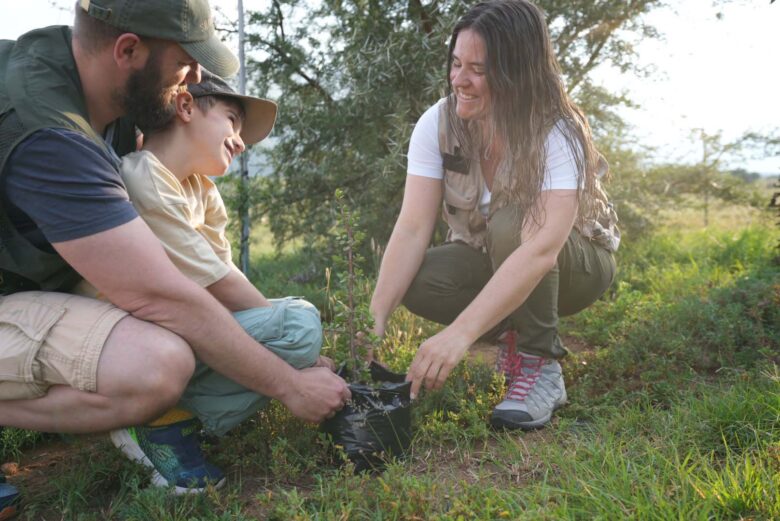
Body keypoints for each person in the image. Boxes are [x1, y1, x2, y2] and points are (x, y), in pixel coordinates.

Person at [0, 0, 350, 495]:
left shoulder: (110, 97)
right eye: (186, 62)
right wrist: (290, 386)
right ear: (128, 51)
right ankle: (142, 417)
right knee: (156, 364)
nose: (197, 78)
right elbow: (159, 295)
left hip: (34, 296)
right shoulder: (52, 134)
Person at [370, 0, 619, 431]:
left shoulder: (558, 131)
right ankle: (513, 335)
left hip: (577, 267)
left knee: (513, 223)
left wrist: (459, 334)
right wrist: (371, 324)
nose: (459, 80)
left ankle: (540, 365)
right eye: (455, 64)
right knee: (421, 278)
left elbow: (541, 250)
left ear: (516, 73)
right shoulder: (437, 123)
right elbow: (411, 229)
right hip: (494, 255)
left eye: (478, 70)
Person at [103, 70, 337, 492]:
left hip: (180, 330)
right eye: (232, 120)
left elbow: (226, 275)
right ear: (185, 106)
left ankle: (183, 415)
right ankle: (152, 419)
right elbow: (218, 283)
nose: (240, 141)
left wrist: (286, 342)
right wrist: (290, 345)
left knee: (295, 329)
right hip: (133, 344)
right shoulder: (144, 174)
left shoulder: (202, 191)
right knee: (299, 326)